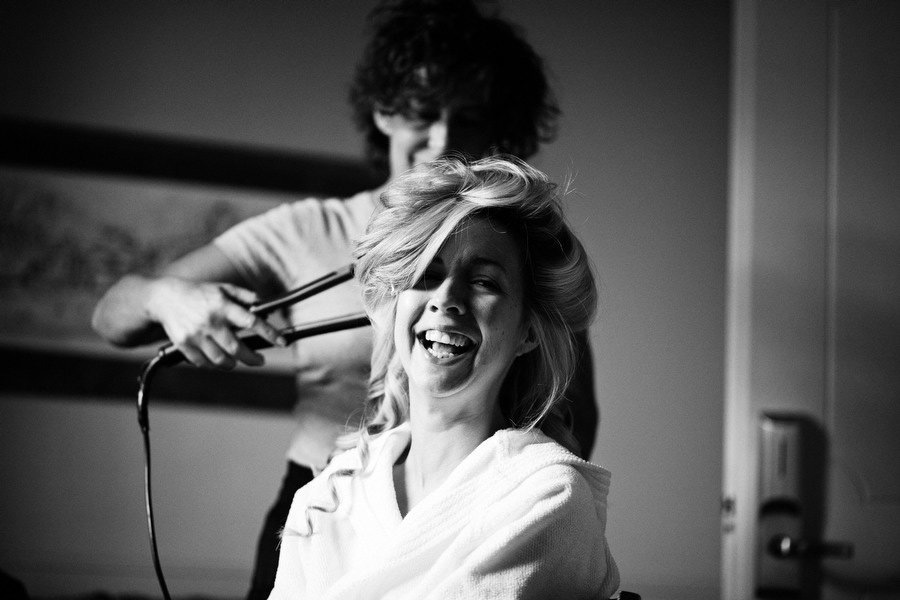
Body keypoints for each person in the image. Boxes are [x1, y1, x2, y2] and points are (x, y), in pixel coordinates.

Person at [91, 1, 598, 598]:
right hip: (335, 497)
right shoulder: (308, 230)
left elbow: (573, 416)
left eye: (468, 119)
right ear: (384, 112)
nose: (443, 139)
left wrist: (510, 499)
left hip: (471, 501)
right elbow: (112, 315)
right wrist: (166, 296)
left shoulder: (522, 256)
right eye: (422, 114)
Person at [269, 156, 619, 600]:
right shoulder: (328, 497)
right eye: (426, 275)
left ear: (528, 330)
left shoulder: (547, 497)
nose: (446, 299)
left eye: (484, 282)